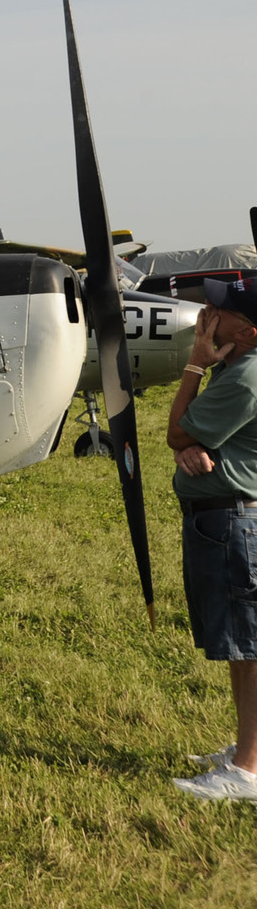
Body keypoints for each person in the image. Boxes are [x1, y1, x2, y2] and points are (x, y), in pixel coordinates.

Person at [166, 277, 257, 802]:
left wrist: (195, 365)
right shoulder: (238, 371)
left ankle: (246, 770)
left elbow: (178, 432)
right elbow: (186, 436)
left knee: (250, 647)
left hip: (237, 523)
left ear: (246, 331)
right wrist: (188, 441)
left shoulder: (243, 377)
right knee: (240, 648)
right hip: (225, 519)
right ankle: (246, 749)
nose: (205, 314)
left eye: (216, 310)